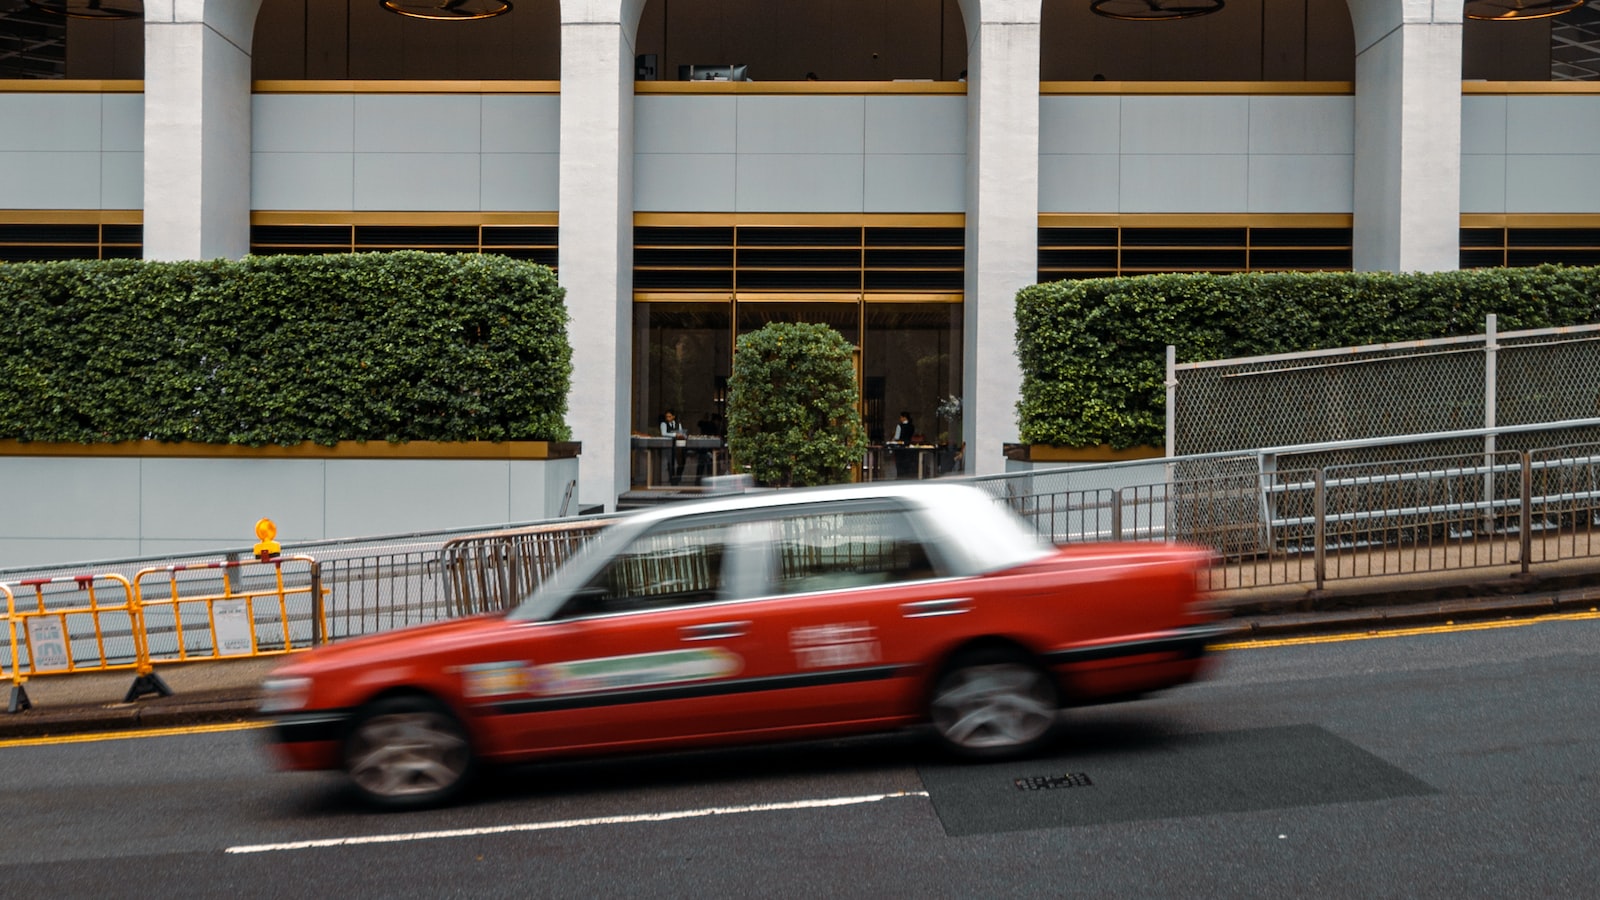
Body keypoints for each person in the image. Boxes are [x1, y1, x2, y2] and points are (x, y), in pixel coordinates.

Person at [660, 410, 686, 486]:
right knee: (671, 463)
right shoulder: (663, 424)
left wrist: (682, 435)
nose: (668, 418)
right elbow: (664, 433)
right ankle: (672, 480)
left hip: (678, 445)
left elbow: (681, 433)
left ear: (673, 417)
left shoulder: (678, 424)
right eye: (667, 416)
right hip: (669, 445)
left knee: (681, 462)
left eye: (669, 416)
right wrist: (675, 435)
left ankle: (677, 477)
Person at [890, 411, 916, 479]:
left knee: (899, 463)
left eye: (901, 417)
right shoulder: (912, 426)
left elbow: (897, 437)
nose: (900, 419)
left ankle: (900, 476)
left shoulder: (899, 426)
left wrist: (892, 440)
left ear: (904, 418)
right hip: (908, 445)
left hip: (900, 446)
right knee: (907, 462)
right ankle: (906, 475)